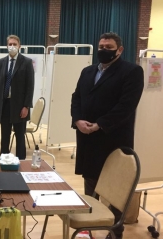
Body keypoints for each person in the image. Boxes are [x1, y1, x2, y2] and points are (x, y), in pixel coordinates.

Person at [71, 32, 144, 239]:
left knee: (115, 190)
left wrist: (99, 125)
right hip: (87, 139)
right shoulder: (87, 71)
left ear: (119, 50)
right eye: (101, 46)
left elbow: (126, 106)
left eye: (108, 47)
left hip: (113, 139)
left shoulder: (132, 72)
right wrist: (77, 120)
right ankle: (90, 227)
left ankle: (115, 232)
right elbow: (76, 97)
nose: (104, 50)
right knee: (90, 184)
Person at [0, 35, 34, 160]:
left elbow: (30, 87)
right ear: (6, 46)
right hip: (4, 105)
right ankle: (4, 161)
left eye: (15, 44)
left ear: (19, 46)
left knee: (20, 137)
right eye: (10, 44)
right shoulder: (0, 63)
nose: (12, 46)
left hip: (20, 107)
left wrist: (26, 106)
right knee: (5, 137)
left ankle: (21, 164)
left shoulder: (26, 62)